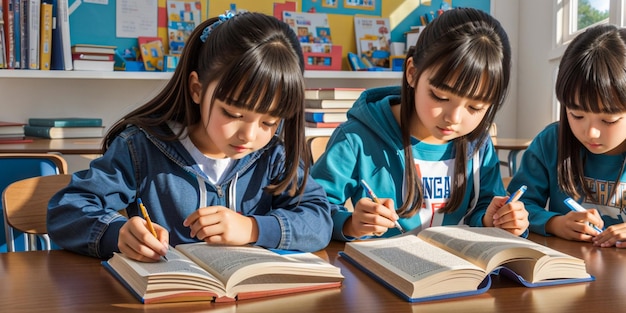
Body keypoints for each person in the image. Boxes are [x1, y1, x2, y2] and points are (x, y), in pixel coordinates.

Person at [47, 12, 334, 261]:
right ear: (197, 89)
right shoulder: (140, 147)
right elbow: (67, 210)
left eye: (269, 121)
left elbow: (319, 219)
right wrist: (117, 233)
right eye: (233, 114)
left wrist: (253, 228)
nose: (249, 134)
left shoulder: (273, 154)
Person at [310, 8, 529, 241]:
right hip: (380, 273)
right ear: (412, 73)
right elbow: (312, 211)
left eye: (475, 108)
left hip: (462, 273)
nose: (454, 118)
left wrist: (496, 219)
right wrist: (350, 224)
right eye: (440, 97)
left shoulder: (479, 145)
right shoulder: (357, 139)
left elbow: (484, 207)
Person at [507, 24, 626, 248]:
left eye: (608, 120)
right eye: (577, 115)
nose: (591, 132)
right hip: (566, 269)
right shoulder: (551, 142)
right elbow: (517, 206)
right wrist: (554, 223)